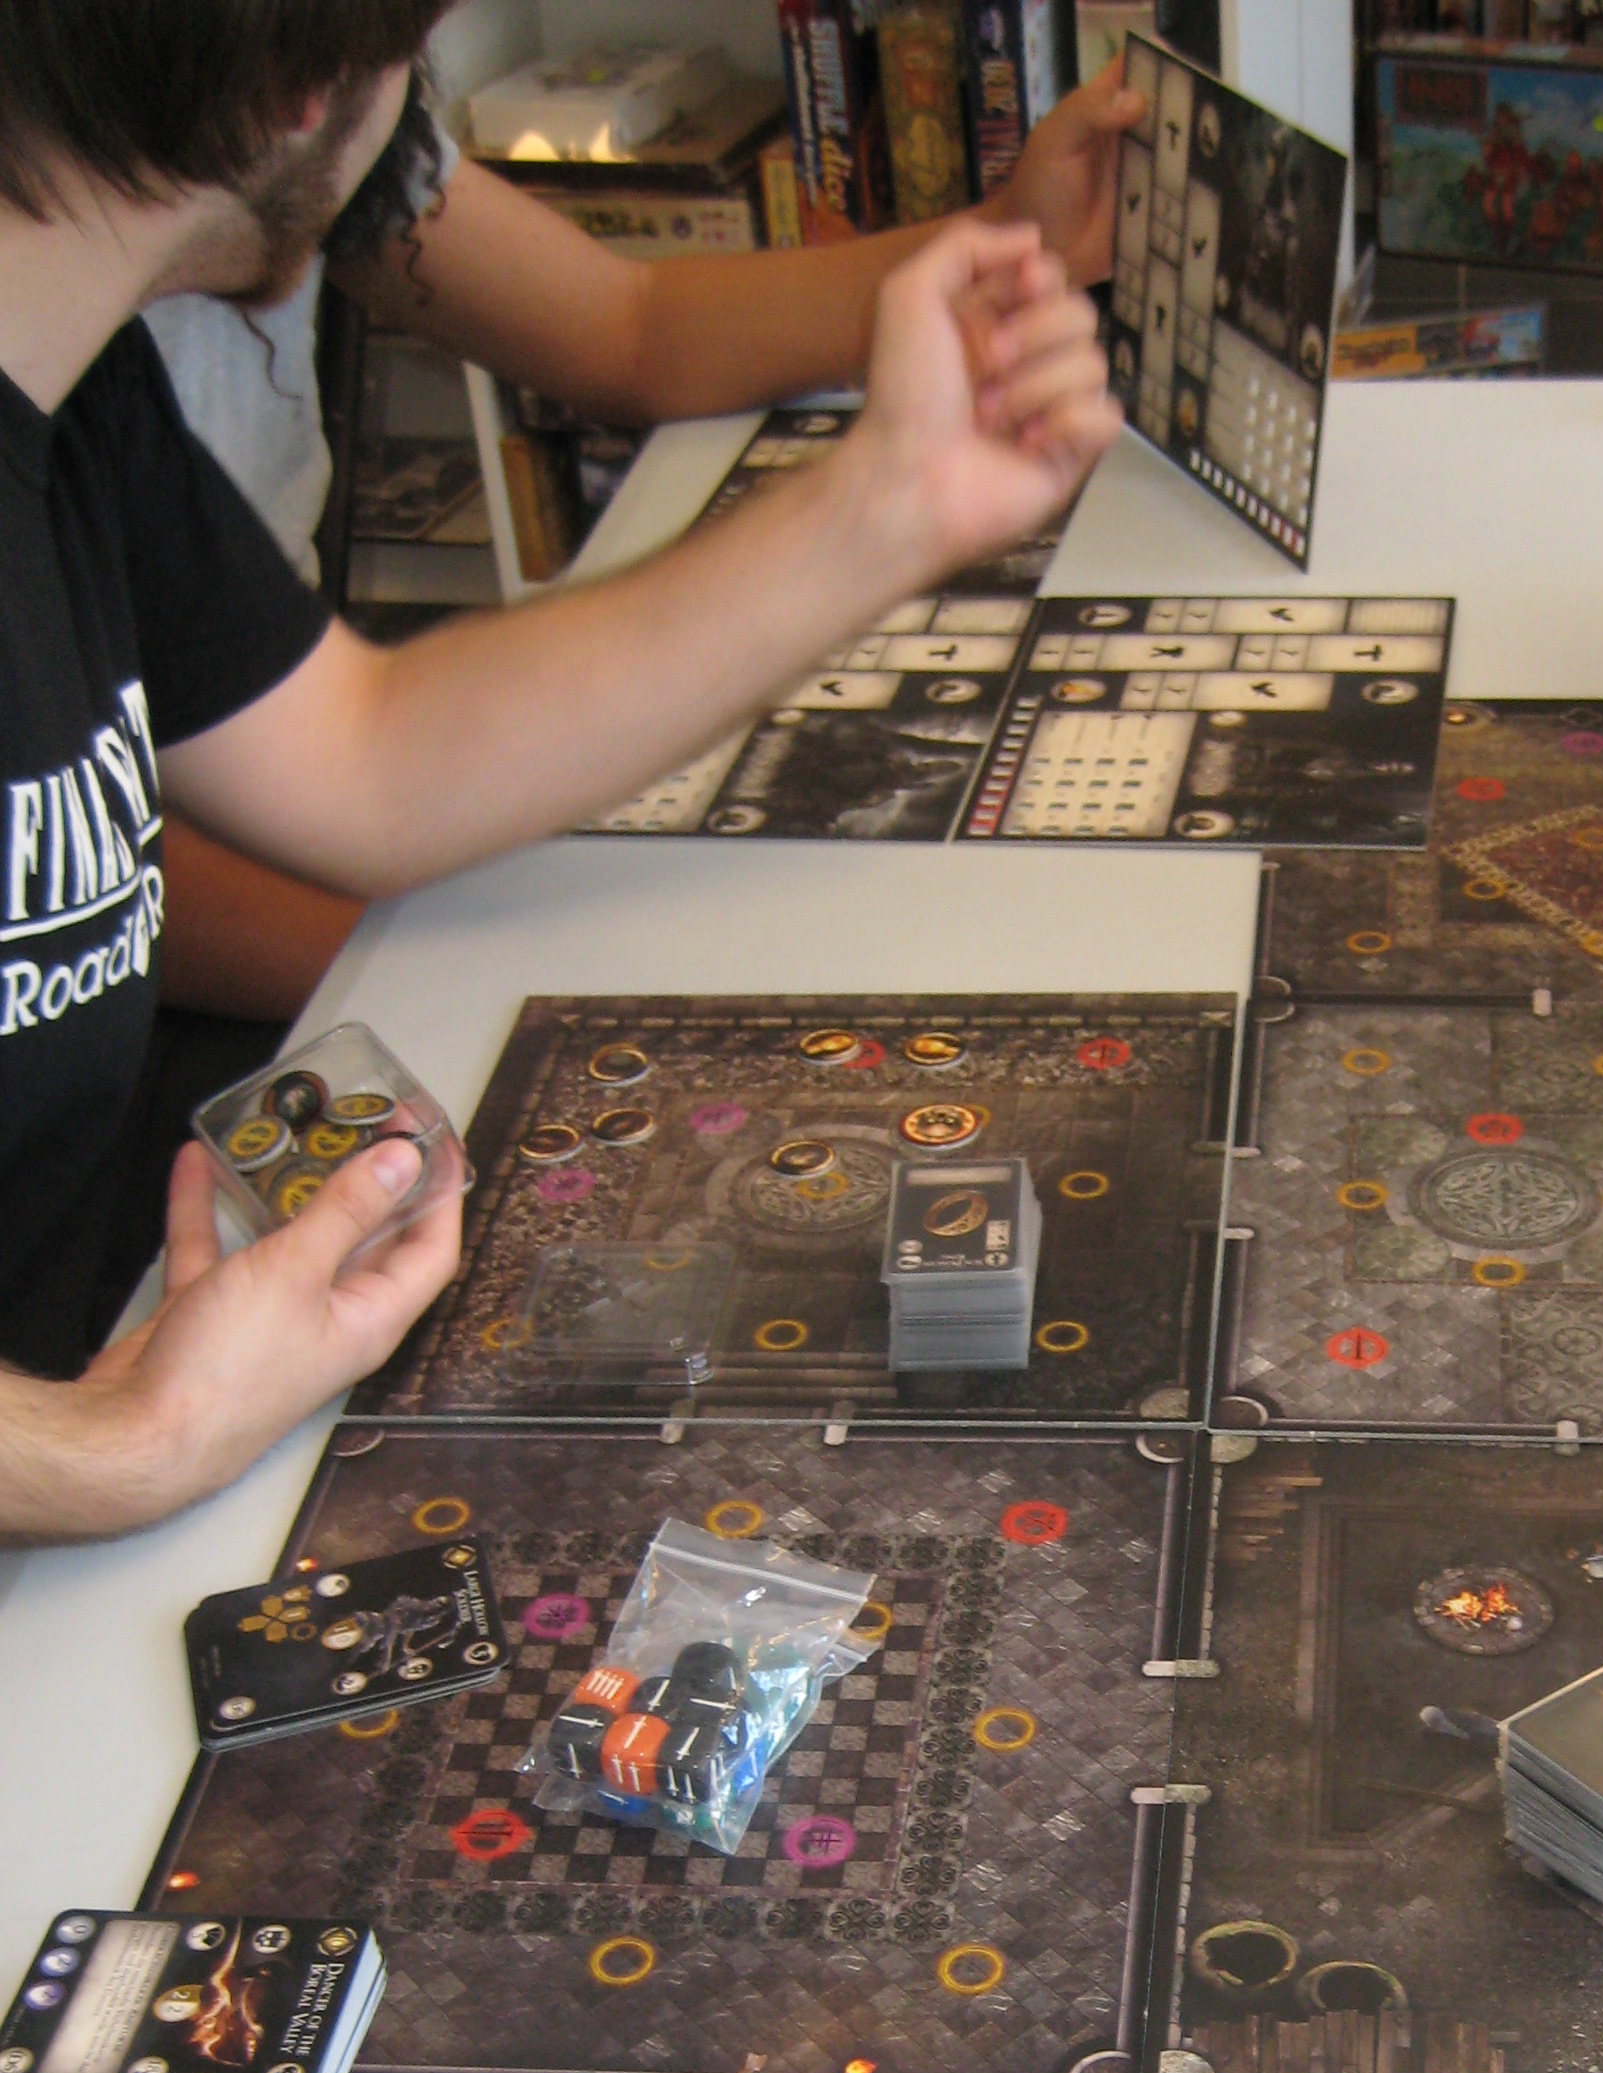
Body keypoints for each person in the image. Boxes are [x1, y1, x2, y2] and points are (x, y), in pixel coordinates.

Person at [0, 0, 1120, 1540]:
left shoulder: (78, 394)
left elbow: (370, 760)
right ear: (297, 87)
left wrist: (892, 506)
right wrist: (107, 1446)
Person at [145, 59, 1145, 1050]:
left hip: (281, 768)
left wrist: (1013, 235)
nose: (382, 84)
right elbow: (132, 881)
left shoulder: (286, 136)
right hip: (197, 955)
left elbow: (627, 326)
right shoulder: (98, 343)